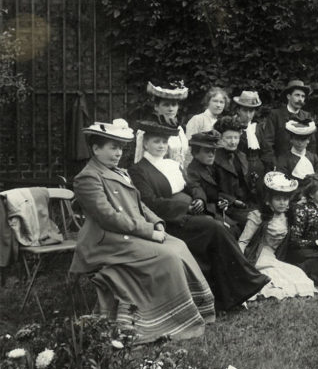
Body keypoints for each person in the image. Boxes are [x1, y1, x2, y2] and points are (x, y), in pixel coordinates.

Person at [70, 119, 215, 343]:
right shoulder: (87, 178)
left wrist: (156, 222)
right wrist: (149, 232)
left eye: (120, 148)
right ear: (95, 149)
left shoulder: (119, 172)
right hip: (106, 242)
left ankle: (193, 310)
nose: (118, 153)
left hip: (130, 234)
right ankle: (166, 319)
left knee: (179, 246)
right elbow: (108, 218)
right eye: (112, 147)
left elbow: (141, 205)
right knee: (167, 256)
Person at [129, 120, 269, 311]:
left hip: (190, 214)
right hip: (170, 221)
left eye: (164, 142)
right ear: (145, 143)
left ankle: (228, 295)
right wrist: (186, 206)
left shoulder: (171, 164)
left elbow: (192, 186)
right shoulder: (139, 170)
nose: (161, 146)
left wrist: (199, 199)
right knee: (215, 227)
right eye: (156, 142)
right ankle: (246, 281)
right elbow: (149, 203)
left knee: (220, 226)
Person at [237, 172, 316, 299]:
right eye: (278, 199)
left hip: (274, 256)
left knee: (297, 274)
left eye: (285, 199)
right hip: (257, 256)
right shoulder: (258, 216)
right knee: (272, 275)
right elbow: (243, 242)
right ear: (268, 201)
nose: (282, 203)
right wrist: (240, 264)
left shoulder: (288, 217)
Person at [185, 130, 238, 235]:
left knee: (236, 228)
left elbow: (217, 192)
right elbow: (195, 188)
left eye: (213, 151)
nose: (211, 155)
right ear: (195, 153)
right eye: (207, 151)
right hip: (204, 211)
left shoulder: (208, 167)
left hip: (216, 208)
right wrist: (200, 199)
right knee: (230, 231)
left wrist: (224, 201)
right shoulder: (192, 171)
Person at [213, 115, 260, 229]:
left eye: (236, 137)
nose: (233, 142)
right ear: (220, 138)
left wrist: (253, 182)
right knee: (256, 222)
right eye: (228, 138)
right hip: (228, 208)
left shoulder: (241, 156)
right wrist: (232, 201)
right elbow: (211, 190)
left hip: (247, 203)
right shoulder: (213, 159)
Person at [130, 80, 190, 166]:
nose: (170, 109)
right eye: (166, 105)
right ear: (156, 107)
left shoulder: (179, 130)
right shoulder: (147, 130)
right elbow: (139, 159)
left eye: (174, 105)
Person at [259, 79, 314, 169]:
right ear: (288, 96)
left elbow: (312, 143)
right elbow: (267, 142)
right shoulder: (275, 115)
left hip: (301, 163)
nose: (300, 99)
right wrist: (273, 163)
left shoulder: (307, 116)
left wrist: (310, 161)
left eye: (303, 96)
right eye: (297, 95)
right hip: (279, 163)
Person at [275, 118, 318, 184]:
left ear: (308, 140)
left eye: (303, 140)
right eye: (297, 139)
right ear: (291, 140)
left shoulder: (313, 157)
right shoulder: (284, 159)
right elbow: (282, 181)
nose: (300, 143)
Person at [231, 90, 266, 173]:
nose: (248, 115)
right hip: (238, 169)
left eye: (251, 111)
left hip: (258, 169)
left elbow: (264, 151)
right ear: (238, 110)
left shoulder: (257, 128)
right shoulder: (232, 127)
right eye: (245, 110)